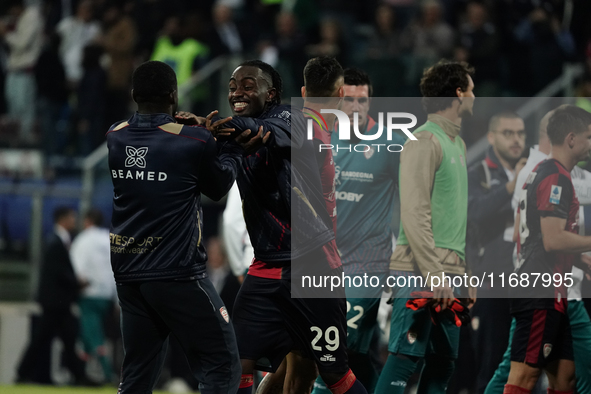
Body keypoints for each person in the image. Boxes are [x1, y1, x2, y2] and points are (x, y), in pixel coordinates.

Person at [219, 58, 367, 394]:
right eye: (232, 86)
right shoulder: (318, 131)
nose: (237, 92)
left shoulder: (298, 121)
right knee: (285, 368)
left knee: (327, 374)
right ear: (341, 94)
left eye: (246, 85)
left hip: (311, 263)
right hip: (272, 266)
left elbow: (283, 130)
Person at [107, 60, 249, 394]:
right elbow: (218, 186)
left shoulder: (114, 136)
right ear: (174, 96)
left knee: (137, 375)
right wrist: (229, 146)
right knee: (222, 365)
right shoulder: (194, 141)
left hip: (129, 274)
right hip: (176, 273)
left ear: (133, 94)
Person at [375, 60, 476, 394]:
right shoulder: (422, 141)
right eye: (472, 90)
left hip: (449, 272)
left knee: (444, 363)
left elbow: (454, 219)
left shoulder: (458, 145)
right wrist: (436, 275)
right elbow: (414, 214)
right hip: (420, 271)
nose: (476, 96)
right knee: (406, 357)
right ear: (459, 93)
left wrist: (463, 273)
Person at [311, 67, 406, 394]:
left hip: (369, 262)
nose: (356, 107)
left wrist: (407, 261)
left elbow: (414, 203)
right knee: (355, 353)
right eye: (349, 100)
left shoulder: (392, 144)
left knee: (335, 346)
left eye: (362, 100)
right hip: (325, 261)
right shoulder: (324, 138)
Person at [485, 105, 591, 394]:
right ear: (571, 139)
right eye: (589, 137)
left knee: (565, 378)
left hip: (554, 290)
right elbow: (552, 240)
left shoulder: (548, 172)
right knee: (522, 378)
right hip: (539, 289)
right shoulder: (554, 177)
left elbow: (535, 232)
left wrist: (582, 261)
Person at [467, 112, 528, 393]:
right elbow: (476, 212)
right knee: (489, 364)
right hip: (490, 282)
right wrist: (512, 186)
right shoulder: (479, 172)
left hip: (525, 281)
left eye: (521, 133)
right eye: (508, 133)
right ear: (491, 137)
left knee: (525, 365)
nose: (516, 140)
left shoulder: (534, 172)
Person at [17, 207, 97, 386]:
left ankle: (78, 376)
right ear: (63, 219)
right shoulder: (55, 241)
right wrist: (78, 284)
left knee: (66, 338)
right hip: (55, 302)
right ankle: (23, 373)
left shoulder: (59, 240)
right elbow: (58, 272)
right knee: (47, 338)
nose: (74, 221)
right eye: (72, 217)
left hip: (58, 301)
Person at [69, 208, 116, 383]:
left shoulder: (83, 240)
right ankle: (81, 375)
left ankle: (107, 373)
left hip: (88, 294)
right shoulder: (108, 239)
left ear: (87, 220)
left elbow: (76, 268)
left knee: (93, 335)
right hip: (107, 295)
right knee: (86, 336)